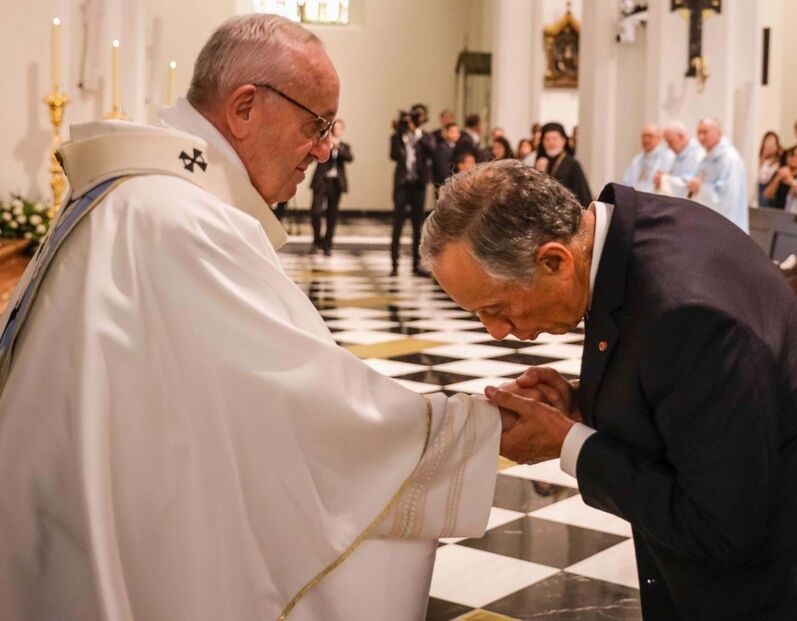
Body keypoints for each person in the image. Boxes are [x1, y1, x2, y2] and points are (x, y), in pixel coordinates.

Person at [0, 15, 503, 621]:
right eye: (317, 125)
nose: (325, 149)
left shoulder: (147, 198)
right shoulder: (176, 219)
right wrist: (468, 429)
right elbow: (300, 404)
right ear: (244, 108)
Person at [421, 159, 797, 621]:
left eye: (496, 308)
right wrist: (583, 401)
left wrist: (569, 442)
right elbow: (685, 394)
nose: (496, 332)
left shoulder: (686, 313)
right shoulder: (639, 231)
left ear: (555, 260)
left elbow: (719, 527)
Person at [687, 118, 749, 232]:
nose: (701, 137)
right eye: (699, 133)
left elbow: (727, 198)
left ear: (718, 132)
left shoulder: (729, 158)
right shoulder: (707, 158)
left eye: (705, 132)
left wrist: (700, 188)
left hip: (728, 226)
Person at [390, 110, 431, 276]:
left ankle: (416, 264)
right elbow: (393, 155)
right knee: (397, 224)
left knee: (417, 225)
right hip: (402, 184)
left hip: (418, 185)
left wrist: (416, 134)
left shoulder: (424, 138)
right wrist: (400, 133)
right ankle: (394, 264)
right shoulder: (397, 138)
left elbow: (431, 150)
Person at [309, 118, 352, 255]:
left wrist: (338, 147)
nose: (336, 130)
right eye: (335, 128)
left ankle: (328, 244)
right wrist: (328, 144)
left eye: (339, 128)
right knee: (316, 212)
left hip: (336, 183)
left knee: (332, 215)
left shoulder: (344, 146)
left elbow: (349, 158)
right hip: (322, 180)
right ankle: (317, 241)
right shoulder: (324, 143)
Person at [535, 122, 591, 205]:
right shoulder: (540, 162)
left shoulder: (572, 164)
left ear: (563, 141)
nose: (551, 143)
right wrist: (539, 172)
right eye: (547, 139)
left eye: (554, 138)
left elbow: (583, 195)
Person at [653, 122, 704, 198]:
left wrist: (664, 180)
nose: (668, 146)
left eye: (670, 142)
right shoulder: (677, 154)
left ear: (681, 136)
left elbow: (689, 186)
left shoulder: (697, 154)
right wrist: (663, 177)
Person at [620, 123, 674, 193]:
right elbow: (625, 183)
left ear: (659, 138)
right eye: (643, 136)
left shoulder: (669, 157)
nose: (645, 139)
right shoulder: (636, 160)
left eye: (650, 136)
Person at [762, 143, 797, 209]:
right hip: (776, 210)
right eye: (792, 155)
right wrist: (778, 178)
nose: (794, 158)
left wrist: (789, 178)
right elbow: (767, 196)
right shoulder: (779, 172)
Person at [430, 122, 460, 193]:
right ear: (446, 133)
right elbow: (442, 170)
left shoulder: (458, 147)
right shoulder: (441, 148)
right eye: (453, 132)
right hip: (445, 185)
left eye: (457, 132)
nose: (456, 134)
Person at [757, 131, 782, 207]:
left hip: (769, 197)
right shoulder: (757, 160)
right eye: (768, 142)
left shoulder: (778, 163)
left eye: (773, 143)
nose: (770, 145)